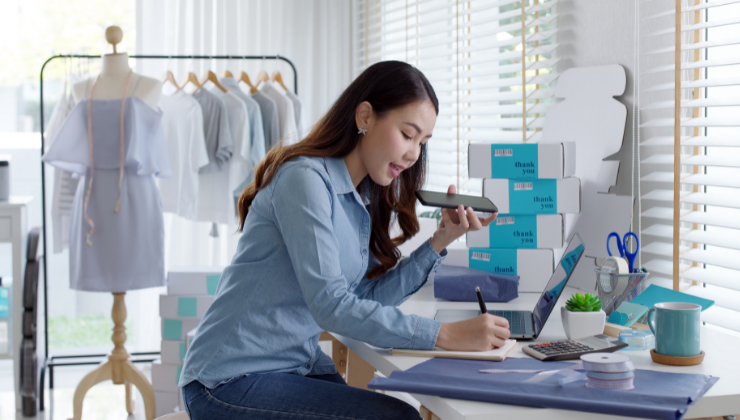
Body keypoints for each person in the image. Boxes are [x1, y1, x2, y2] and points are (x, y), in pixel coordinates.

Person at [179, 61, 511, 420]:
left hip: (293, 364)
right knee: (398, 417)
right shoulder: (304, 180)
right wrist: (443, 334)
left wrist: (441, 240)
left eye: (423, 141)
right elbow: (331, 306)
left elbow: (361, 300)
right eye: (408, 134)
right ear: (365, 116)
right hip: (228, 380)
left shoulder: (358, 197)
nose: (415, 153)